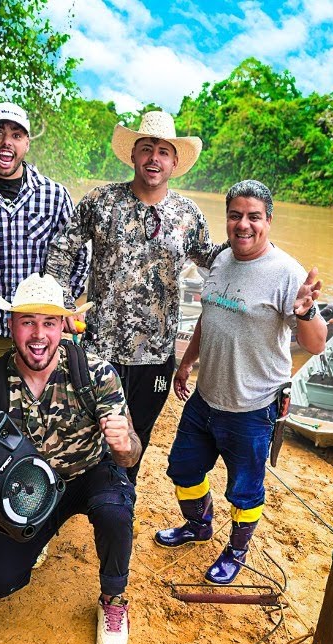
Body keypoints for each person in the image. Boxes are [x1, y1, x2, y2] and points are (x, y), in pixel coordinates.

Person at [0, 273, 141, 644]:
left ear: (64, 325)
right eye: (27, 321)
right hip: (29, 490)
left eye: (48, 322)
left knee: (115, 511)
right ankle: (39, 532)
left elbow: (130, 458)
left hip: (89, 473)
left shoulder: (97, 375)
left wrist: (124, 444)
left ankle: (113, 598)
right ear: (10, 325)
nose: (38, 334)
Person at [156, 180, 325, 584]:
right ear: (227, 218)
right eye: (235, 215)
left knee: (245, 491)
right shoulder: (220, 260)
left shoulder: (286, 273)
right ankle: (199, 526)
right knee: (182, 469)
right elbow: (209, 317)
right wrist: (187, 362)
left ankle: (236, 549)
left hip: (252, 407)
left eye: (253, 216)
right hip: (206, 397)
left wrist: (305, 310)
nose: (243, 225)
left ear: (268, 220)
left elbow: (315, 344)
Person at [45, 110, 224, 484]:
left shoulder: (188, 215)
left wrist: (255, 251)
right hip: (98, 347)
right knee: (87, 428)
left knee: (135, 437)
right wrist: (61, 301)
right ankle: (77, 494)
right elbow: (63, 251)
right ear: (133, 155)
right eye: (146, 149)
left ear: (175, 161)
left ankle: (121, 498)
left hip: (155, 355)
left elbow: (216, 264)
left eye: (163, 151)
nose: (153, 158)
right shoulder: (101, 201)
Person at [0, 102, 87, 378]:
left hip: (42, 330)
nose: (6, 142)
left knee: (42, 403)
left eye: (16, 135)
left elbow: (79, 254)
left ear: (26, 144)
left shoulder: (54, 195)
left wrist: (67, 305)